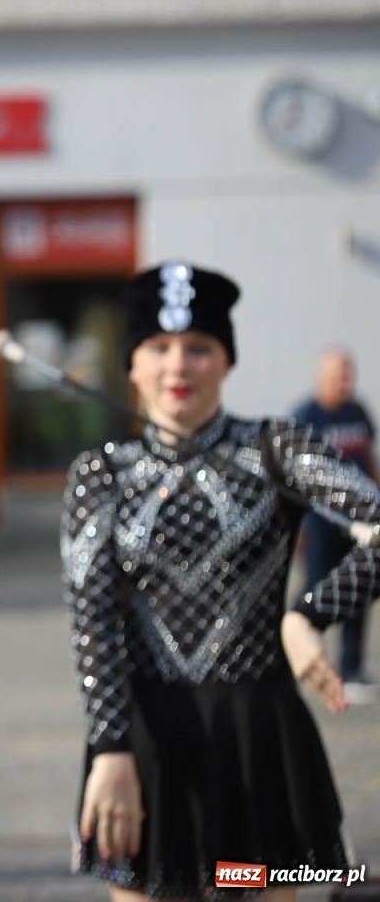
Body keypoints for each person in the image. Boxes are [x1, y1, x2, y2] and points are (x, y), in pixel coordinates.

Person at [63, 261, 380, 902]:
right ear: (132, 365)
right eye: (158, 348)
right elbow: (91, 617)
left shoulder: (279, 447)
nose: (178, 367)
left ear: (227, 361)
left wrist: (308, 616)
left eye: (199, 348)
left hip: (260, 745)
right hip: (145, 746)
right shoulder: (101, 472)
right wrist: (109, 748)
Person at [290, 346, 379, 699]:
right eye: (338, 375)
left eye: (348, 374)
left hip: (360, 519)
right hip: (322, 520)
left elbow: (368, 457)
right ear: (322, 377)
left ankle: (352, 667)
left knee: (360, 588)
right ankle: (299, 655)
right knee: (316, 587)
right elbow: (292, 478)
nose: (345, 382)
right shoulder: (306, 416)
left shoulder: (357, 411)